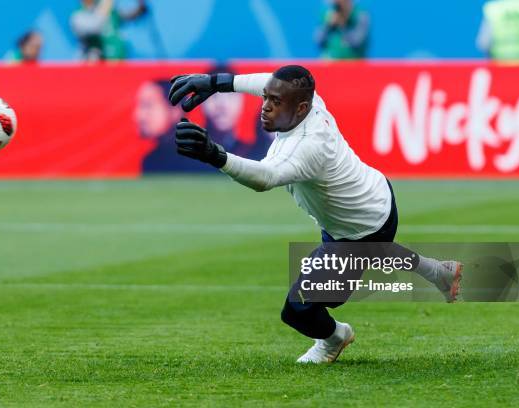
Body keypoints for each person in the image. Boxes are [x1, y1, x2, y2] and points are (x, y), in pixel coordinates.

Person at [167, 66, 463, 364]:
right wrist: (216, 82)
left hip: (361, 229)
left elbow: (265, 178)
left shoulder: (309, 146)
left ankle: (335, 338)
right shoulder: (306, 101)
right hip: (372, 202)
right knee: (370, 251)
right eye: (265, 98)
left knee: (299, 308)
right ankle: (438, 272)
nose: (265, 106)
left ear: (301, 108)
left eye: (275, 102)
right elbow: (267, 82)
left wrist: (214, 155)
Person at [134, 80, 208, 172]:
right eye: (140, 106)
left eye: (148, 105)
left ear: (175, 111)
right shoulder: (150, 161)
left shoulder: (198, 158)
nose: (139, 115)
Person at [70, 0, 147, 61]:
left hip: (118, 62)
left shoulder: (110, 12)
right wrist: (107, 3)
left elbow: (127, 17)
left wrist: (140, 8)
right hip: (95, 66)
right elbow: (97, 24)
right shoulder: (77, 17)